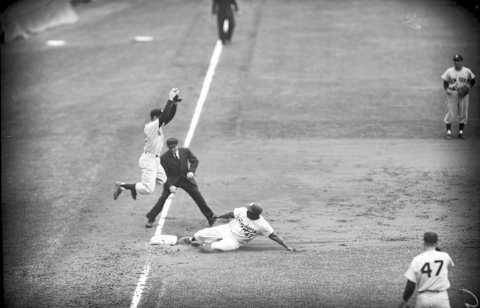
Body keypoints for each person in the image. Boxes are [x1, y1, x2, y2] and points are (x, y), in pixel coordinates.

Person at [113, 88, 181, 200]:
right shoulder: (151, 127)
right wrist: (169, 99)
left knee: (162, 179)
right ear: (155, 117)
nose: (163, 118)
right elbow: (165, 117)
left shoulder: (157, 126)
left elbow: (168, 117)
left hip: (155, 160)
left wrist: (174, 103)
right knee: (148, 189)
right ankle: (122, 186)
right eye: (160, 116)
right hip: (148, 160)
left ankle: (132, 187)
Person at [145, 138, 216, 228]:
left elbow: (194, 161)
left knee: (198, 197)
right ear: (168, 148)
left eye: (174, 147)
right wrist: (170, 186)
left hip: (186, 179)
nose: (173, 149)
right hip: (172, 180)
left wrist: (191, 171)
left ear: (177, 146)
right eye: (171, 148)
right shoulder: (164, 158)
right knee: (162, 199)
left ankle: (211, 217)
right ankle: (151, 218)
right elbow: (164, 175)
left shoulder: (185, 151)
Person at [178, 203, 296, 252]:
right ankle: (192, 240)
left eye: (249, 210)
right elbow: (230, 214)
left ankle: (203, 245)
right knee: (200, 234)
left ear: (254, 214)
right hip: (226, 229)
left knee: (215, 248)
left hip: (235, 241)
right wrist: (219, 216)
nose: (246, 209)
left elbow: (274, 236)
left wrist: (287, 247)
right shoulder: (243, 211)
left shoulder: (262, 225)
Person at [398, 232, 454, 308]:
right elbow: (447, 268)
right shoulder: (445, 256)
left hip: (423, 299)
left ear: (423, 242)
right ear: (437, 243)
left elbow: (410, 284)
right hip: (441, 298)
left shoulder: (417, 259)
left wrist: (405, 300)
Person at [441, 54, 476, 139]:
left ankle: (461, 133)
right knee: (451, 113)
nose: (456, 62)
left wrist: (468, 88)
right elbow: (445, 81)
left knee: (463, 113)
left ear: (461, 61)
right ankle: (448, 132)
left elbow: (473, 80)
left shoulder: (467, 71)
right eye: (455, 61)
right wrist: (446, 89)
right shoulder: (449, 71)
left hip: (463, 94)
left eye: (458, 61)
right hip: (452, 94)